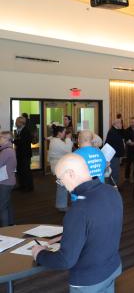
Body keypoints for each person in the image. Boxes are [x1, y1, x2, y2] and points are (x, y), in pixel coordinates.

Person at [32, 154, 123, 293]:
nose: (61, 184)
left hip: (89, 281)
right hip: (112, 268)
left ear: (70, 174)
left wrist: (39, 254)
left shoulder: (78, 210)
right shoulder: (111, 191)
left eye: (60, 180)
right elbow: (101, 228)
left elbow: (65, 261)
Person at [48, 125, 73, 211]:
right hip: (60, 167)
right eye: (64, 132)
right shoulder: (57, 142)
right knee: (62, 187)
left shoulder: (54, 140)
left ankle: (60, 205)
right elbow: (68, 149)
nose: (65, 134)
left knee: (62, 186)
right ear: (59, 133)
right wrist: (68, 138)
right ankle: (62, 206)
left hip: (58, 166)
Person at [0, 131, 16, 227]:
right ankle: (11, 224)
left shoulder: (6, 151)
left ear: (6, 139)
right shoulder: (10, 150)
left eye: (1, 137)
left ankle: (5, 230)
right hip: (9, 181)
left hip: (5, 182)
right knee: (7, 204)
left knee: (2, 207)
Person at [13, 116, 33, 191]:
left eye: (17, 122)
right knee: (20, 170)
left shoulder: (26, 131)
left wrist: (13, 141)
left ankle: (28, 187)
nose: (15, 123)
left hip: (25, 154)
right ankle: (22, 185)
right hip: (20, 154)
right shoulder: (18, 130)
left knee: (26, 171)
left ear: (21, 123)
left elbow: (22, 142)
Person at [105, 119, 125, 186]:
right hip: (113, 156)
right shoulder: (113, 132)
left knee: (114, 172)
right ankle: (113, 188)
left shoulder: (115, 131)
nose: (121, 124)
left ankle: (113, 186)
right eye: (120, 123)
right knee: (114, 172)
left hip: (114, 155)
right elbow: (118, 145)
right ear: (116, 124)